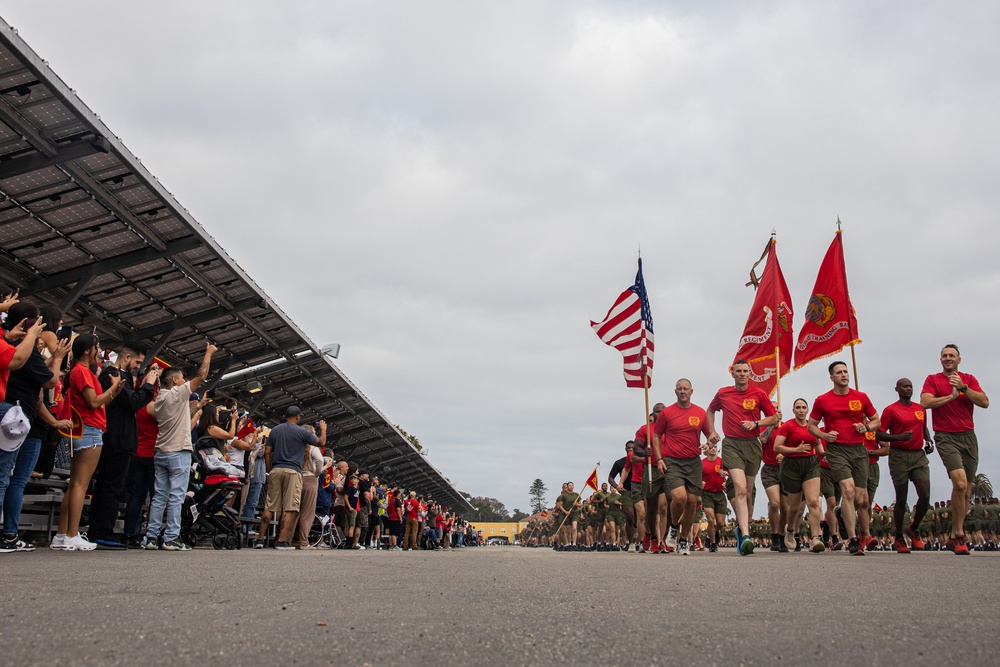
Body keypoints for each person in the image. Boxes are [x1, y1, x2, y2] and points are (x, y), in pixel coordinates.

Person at [1, 301, 70, 552]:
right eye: (37, 322)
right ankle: (7, 533)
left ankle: (9, 532)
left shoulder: (15, 345)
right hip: (15, 417)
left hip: (25, 418)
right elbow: (50, 382)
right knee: (8, 478)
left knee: (12, 478)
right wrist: (58, 358)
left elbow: (41, 395)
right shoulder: (23, 349)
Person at [51, 333, 124, 551]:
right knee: (81, 484)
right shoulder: (82, 372)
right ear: (86, 350)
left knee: (74, 484)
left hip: (84, 427)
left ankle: (62, 533)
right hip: (90, 428)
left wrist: (114, 391)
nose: (99, 351)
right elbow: (93, 403)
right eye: (97, 347)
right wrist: (113, 388)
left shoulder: (77, 371)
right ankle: (72, 534)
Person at [144, 342, 215, 551]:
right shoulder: (177, 393)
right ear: (175, 381)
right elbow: (201, 377)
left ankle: (150, 537)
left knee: (159, 496)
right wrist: (208, 353)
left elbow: (179, 418)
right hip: (178, 453)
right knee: (176, 496)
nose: (185, 381)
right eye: (182, 378)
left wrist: (198, 407)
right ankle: (171, 537)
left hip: (161, 451)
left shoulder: (160, 399)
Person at [920, 344, 989, 555]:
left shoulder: (968, 379)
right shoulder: (933, 379)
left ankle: (952, 535)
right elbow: (925, 402)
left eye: (952, 356)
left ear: (959, 360)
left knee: (966, 488)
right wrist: (950, 396)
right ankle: (959, 535)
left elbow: (985, 402)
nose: (948, 358)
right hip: (945, 436)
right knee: (958, 482)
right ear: (940, 360)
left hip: (968, 436)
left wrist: (964, 389)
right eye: (944, 356)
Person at [88, 343, 159, 549]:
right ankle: (103, 532)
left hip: (113, 436)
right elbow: (133, 403)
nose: (138, 366)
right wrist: (148, 384)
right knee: (112, 487)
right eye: (137, 362)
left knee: (105, 486)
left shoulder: (115, 376)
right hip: (118, 438)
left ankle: (98, 530)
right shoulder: (115, 375)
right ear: (127, 357)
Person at [706, 360, 779, 556]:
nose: (742, 374)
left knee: (747, 492)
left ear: (750, 374)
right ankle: (746, 536)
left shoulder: (759, 394)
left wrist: (756, 423)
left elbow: (774, 418)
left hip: (752, 445)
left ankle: (740, 528)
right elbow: (710, 410)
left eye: (745, 371)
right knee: (740, 487)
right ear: (733, 374)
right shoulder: (723, 393)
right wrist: (712, 431)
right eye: (738, 371)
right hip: (731, 444)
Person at [807, 360, 880, 556]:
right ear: (831, 377)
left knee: (860, 497)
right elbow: (811, 425)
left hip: (859, 450)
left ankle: (842, 514)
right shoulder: (823, 400)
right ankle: (853, 539)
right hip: (837, 450)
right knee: (847, 490)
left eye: (845, 371)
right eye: (839, 372)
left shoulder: (861, 397)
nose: (844, 375)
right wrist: (823, 436)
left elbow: (876, 419)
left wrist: (867, 427)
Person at [256, 405, 326, 550]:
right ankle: (282, 541)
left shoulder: (275, 430)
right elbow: (321, 443)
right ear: (297, 417)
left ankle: (260, 539)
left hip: (276, 469)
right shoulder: (301, 432)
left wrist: (270, 469)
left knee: (270, 505)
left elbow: (267, 452)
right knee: (290, 507)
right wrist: (323, 430)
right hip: (293, 471)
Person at [876, 378, 934, 553]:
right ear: (897, 389)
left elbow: (924, 428)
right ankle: (899, 537)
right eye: (904, 386)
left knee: (925, 496)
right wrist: (898, 438)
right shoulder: (891, 410)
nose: (908, 389)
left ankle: (914, 527)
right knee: (901, 498)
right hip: (899, 456)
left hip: (918, 456)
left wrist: (929, 441)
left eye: (910, 386)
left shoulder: (920, 409)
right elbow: (879, 434)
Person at [654, 378, 711, 555]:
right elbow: (656, 436)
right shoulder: (667, 413)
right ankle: (673, 527)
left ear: (691, 391)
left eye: (686, 389)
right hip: (673, 461)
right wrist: (659, 459)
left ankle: (684, 540)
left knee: (692, 502)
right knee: (679, 498)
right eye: (679, 389)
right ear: (675, 391)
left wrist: (708, 444)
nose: (683, 391)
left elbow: (710, 435)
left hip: (693, 462)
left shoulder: (700, 413)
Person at [774, 398, 826, 553]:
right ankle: (790, 531)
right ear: (793, 410)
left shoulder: (812, 426)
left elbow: (817, 443)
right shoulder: (788, 426)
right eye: (798, 407)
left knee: (813, 502)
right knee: (794, 507)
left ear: (808, 409)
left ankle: (815, 538)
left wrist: (823, 454)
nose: (801, 410)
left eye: (804, 407)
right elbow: (777, 447)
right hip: (792, 465)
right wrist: (796, 449)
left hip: (811, 464)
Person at [700, 443, 727, 552]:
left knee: (720, 523)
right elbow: (697, 477)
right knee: (711, 520)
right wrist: (699, 484)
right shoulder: (702, 463)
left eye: (715, 447)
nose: (713, 449)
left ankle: (713, 533)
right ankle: (713, 543)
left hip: (720, 494)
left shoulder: (721, 462)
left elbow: (729, 473)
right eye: (710, 447)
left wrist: (725, 477)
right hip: (707, 494)